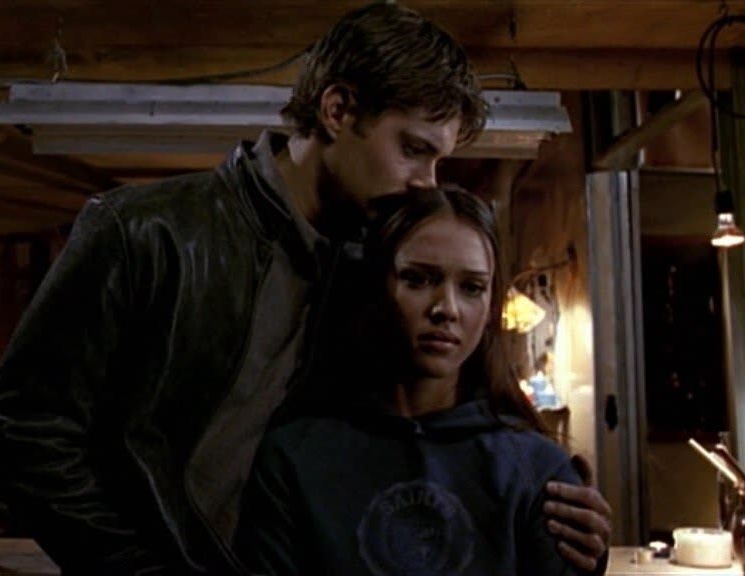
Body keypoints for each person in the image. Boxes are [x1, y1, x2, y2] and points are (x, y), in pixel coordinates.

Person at [0, 3, 611, 574]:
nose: (427, 180)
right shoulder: (146, 232)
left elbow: (432, 417)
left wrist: (556, 511)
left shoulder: (370, 268)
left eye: (438, 159)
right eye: (413, 149)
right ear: (337, 111)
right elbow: (21, 431)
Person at [236, 185, 595, 575]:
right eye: (418, 279)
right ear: (376, 287)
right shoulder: (295, 459)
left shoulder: (536, 471)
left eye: (472, 287)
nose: (447, 309)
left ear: (491, 306)